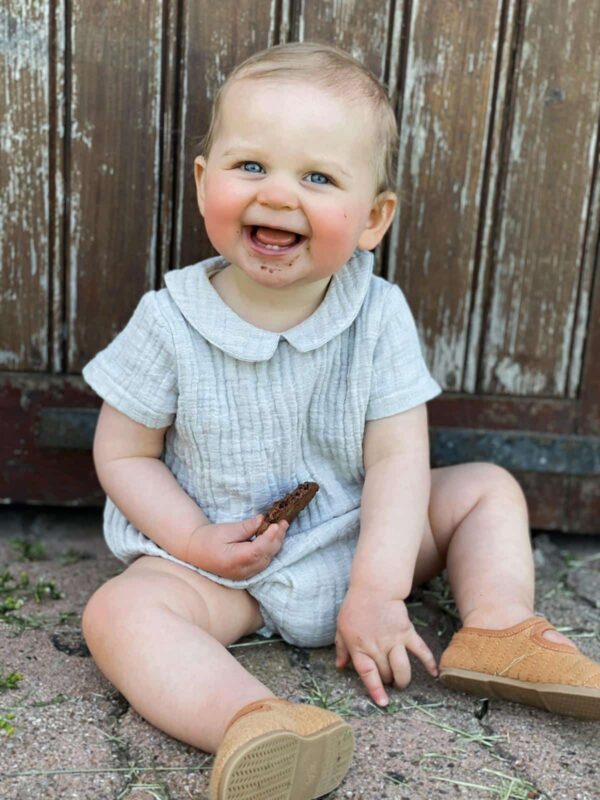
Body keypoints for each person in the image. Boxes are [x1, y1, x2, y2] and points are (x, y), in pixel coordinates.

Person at [80, 41, 600, 800]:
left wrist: (378, 590)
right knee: (120, 610)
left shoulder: (378, 313)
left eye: (318, 177)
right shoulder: (169, 321)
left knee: (486, 487)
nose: (280, 195)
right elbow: (124, 455)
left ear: (372, 219)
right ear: (204, 183)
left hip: (363, 541)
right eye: (251, 166)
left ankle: (499, 626)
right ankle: (254, 722)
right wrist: (192, 539)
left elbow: (397, 461)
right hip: (226, 569)